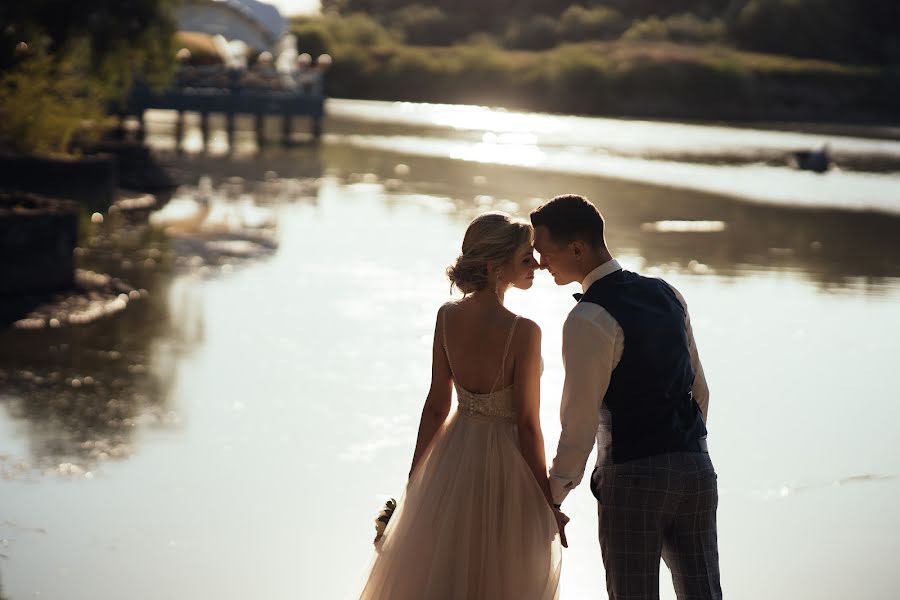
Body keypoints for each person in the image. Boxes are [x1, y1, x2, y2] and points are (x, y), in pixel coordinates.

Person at [357, 212, 566, 600]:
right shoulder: (524, 331)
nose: (536, 264)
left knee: (445, 575)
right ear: (494, 267)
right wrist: (546, 502)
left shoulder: (447, 316)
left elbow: (436, 407)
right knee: (497, 579)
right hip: (506, 468)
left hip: (452, 460)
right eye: (525, 258)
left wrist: (415, 482)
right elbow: (526, 425)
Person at [531, 195, 722, 600]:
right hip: (697, 471)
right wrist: (687, 449)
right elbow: (699, 390)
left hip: (633, 477)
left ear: (577, 249)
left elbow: (579, 424)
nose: (541, 263)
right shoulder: (667, 293)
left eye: (544, 252)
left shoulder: (588, 319)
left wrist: (552, 495)